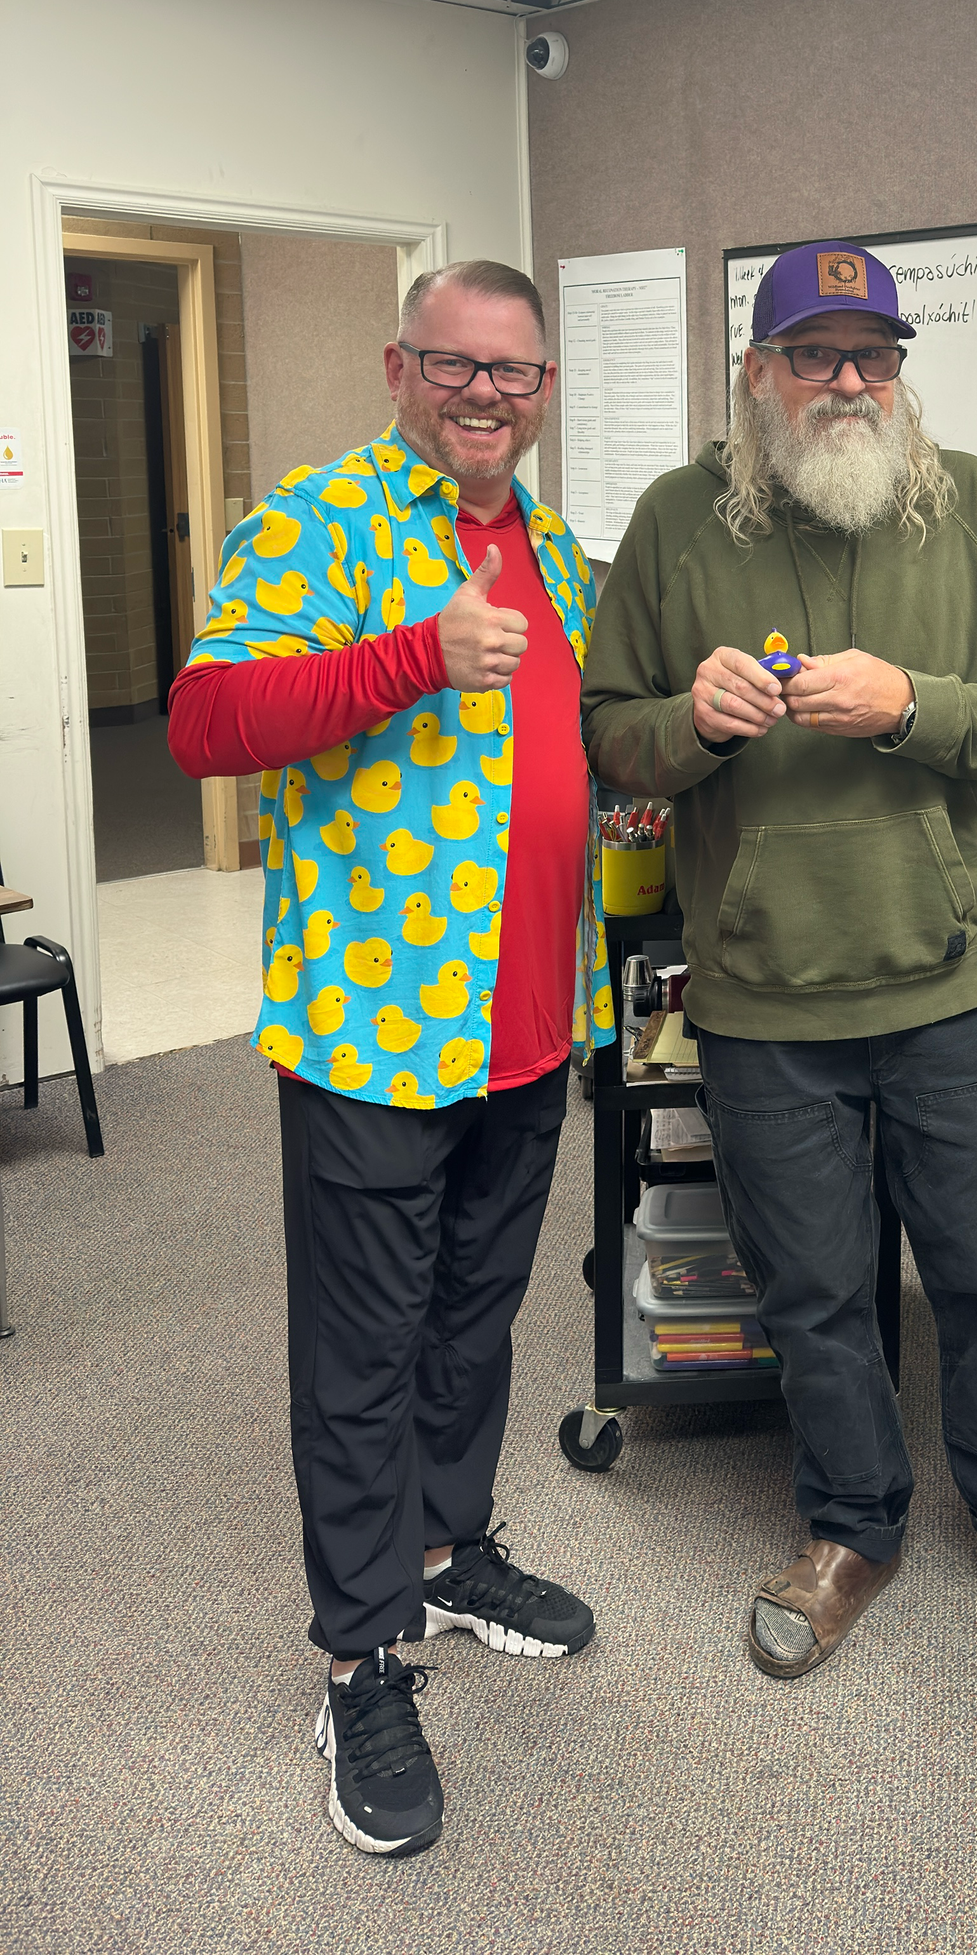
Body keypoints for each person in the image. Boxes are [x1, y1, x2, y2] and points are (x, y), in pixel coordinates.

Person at [580, 241, 977, 1683]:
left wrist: (912, 705)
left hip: (945, 981)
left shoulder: (969, 501)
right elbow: (606, 729)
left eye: (873, 353)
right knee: (809, 1288)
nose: (849, 380)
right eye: (814, 353)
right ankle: (851, 1525)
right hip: (760, 992)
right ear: (758, 373)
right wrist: (692, 718)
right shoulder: (679, 518)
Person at [170, 261, 614, 1858]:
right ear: (402, 368)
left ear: (544, 390)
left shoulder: (556, 546)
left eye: (516, 375)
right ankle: (359, 1654)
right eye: (458, 367)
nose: (488, 396)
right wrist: (410, 658)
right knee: (362, 1355)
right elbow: (207, 723)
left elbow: (549, 750)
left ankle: (446, 1553)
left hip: (527, 1021)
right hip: (378, 1028)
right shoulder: (318, 521)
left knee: (475, 1318)